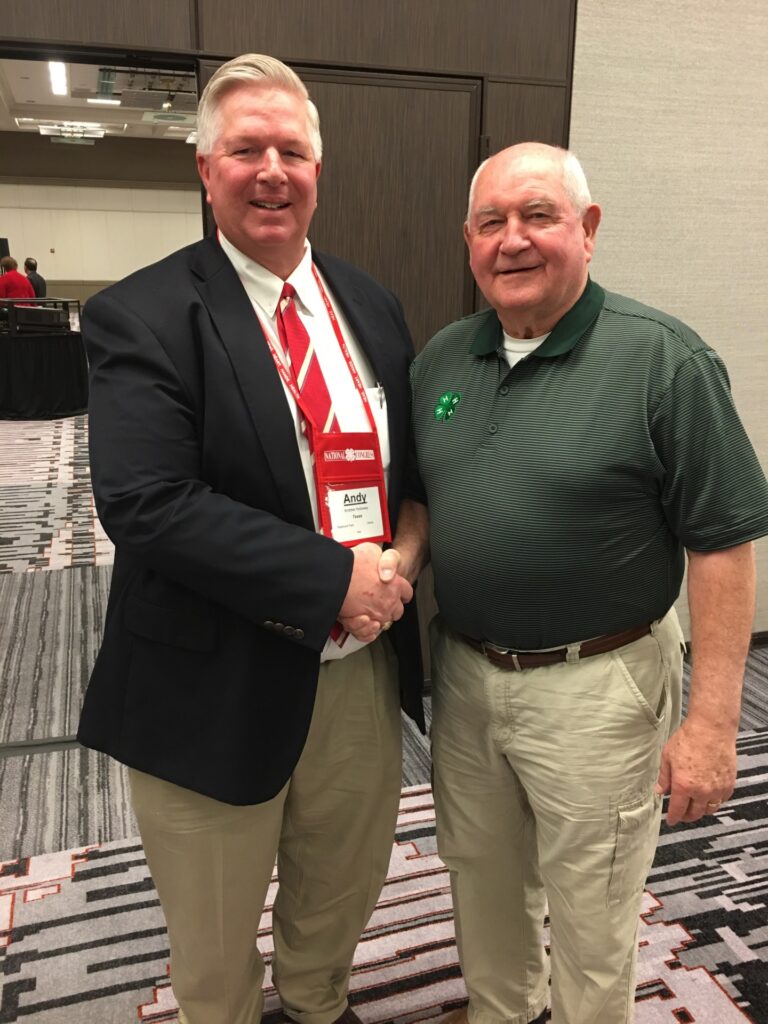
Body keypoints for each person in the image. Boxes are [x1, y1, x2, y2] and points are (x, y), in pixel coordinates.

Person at [78, 53, 423, 1024]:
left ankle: (317, 1004)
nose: (272, 169)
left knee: (343, 879)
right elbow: (148, 501)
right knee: (216, 931)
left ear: (318, 168)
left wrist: (398, 565)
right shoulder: (142, 314)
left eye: (293, 150)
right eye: (245, 149)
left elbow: (407, 477)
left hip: (358, 664)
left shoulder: (372, 305)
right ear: (204, 169)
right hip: (209, 675)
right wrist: (331, 578)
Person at [392, 142, 768, 1024]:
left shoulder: (665, 361)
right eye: (492, 222)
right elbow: (419, 497)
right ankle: (503, 1011)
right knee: (481, 876)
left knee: (593, 908)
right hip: (468, 675)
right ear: (469, 240)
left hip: (599, 685)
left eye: (538, 217)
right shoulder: (443, 359)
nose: (512, 241)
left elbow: (724, 545)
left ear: (588, 230)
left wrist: (712, 726)